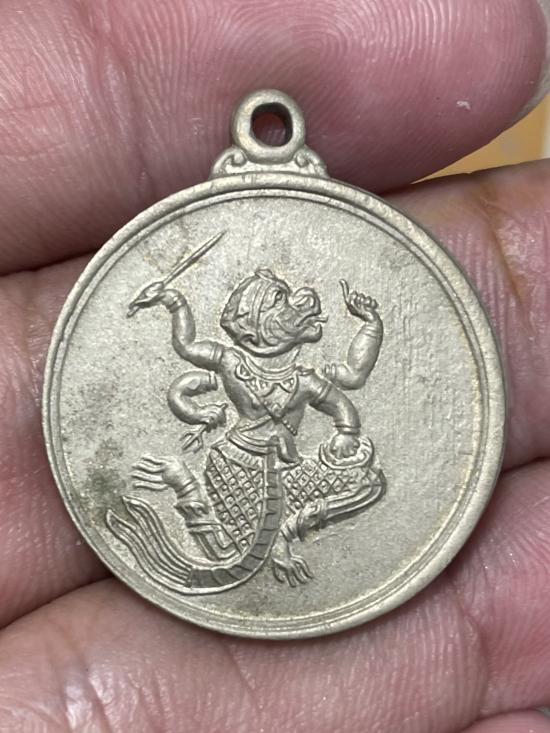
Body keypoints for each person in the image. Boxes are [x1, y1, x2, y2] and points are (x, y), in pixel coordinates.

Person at [1, 1, 550, 731]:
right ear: (262, 324)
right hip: (235, 462)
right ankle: (204, 499)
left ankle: (262, 522)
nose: (303, 307)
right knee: (246, 545)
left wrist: (369, 340)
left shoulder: (301, 377)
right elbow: (190, 347)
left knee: (366, 481)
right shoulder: (229, 360)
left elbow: (349, 387)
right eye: (290, 305)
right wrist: (173, 302)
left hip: (277, 467)